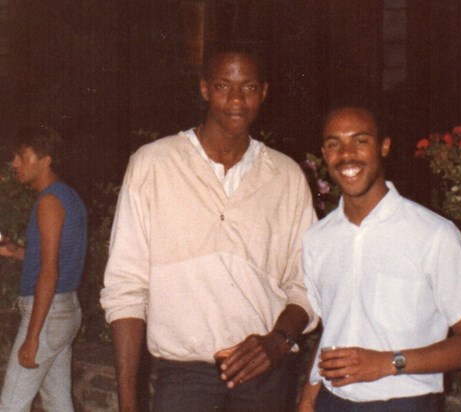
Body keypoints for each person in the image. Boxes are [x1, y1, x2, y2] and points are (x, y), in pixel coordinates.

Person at [100, 42, 318, 412]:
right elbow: (126, 286)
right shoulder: (154, 164)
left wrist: (278, 341)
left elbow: (308, 282)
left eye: (248, 87)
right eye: (222, 86)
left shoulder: (285, 175)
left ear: (264, 92)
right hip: (183, 376)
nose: (236, 99)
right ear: (204, 89)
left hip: (264, 374)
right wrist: (128, 400)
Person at [298, 107, 461, 411]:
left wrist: (388, 363)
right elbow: (332, 326)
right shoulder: (317, 239)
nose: (346, 155)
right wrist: (310, 396)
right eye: (334, 144)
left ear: (383, 146)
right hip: (331, 401)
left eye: (360, 141)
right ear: (324, 153)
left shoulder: (432, 234)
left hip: (403, 403)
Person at [0, 126, 88, 412]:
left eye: (22, 156)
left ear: (45, 160)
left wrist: (32, 337)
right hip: (64, 309)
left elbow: (49, 272)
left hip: (48, 313)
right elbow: (57, 260)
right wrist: (16, 251)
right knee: (58, 402)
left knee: (12, 404)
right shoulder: (67, 196)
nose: (14, 163)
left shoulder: (49, 202)